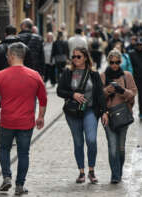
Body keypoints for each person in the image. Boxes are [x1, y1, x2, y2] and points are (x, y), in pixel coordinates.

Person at [0, 42, 47, 195]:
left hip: (7, 121)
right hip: (26, 122)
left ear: (12, 56)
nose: (7, 57)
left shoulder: (0, 75)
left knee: (5, 149)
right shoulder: (35, 75)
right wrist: (40, 117)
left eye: (7, 55)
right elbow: (43, 99)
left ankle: (6, 176)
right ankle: (19, 185)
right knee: (23, 153)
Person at [57, 47, 108, 184]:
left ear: (85, 57)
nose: (75, 59)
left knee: (91, 140)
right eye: (73, 57)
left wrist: (104, 111)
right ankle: (81, 172)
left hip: (90, 110)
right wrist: (72, 94)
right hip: (73, 112)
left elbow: (100, 94)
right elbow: (59, 91)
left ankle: (91, 170)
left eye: (78, 56)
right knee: (78, 142)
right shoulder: (68, 72)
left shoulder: (93, 73)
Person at [100, 49, 137, 184]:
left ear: (121, 62)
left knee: (121, 148)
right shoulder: (103, 76)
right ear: (108, 62)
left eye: (117, 62)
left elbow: (133, 93)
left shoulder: (127, 75)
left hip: (123, 115)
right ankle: (115, 175)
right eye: (112, 62)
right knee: (112, 147)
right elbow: (98, 97)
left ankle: (119, 171)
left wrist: (122, 91)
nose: (115, 65)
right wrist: (107, 90)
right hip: (108, 116)